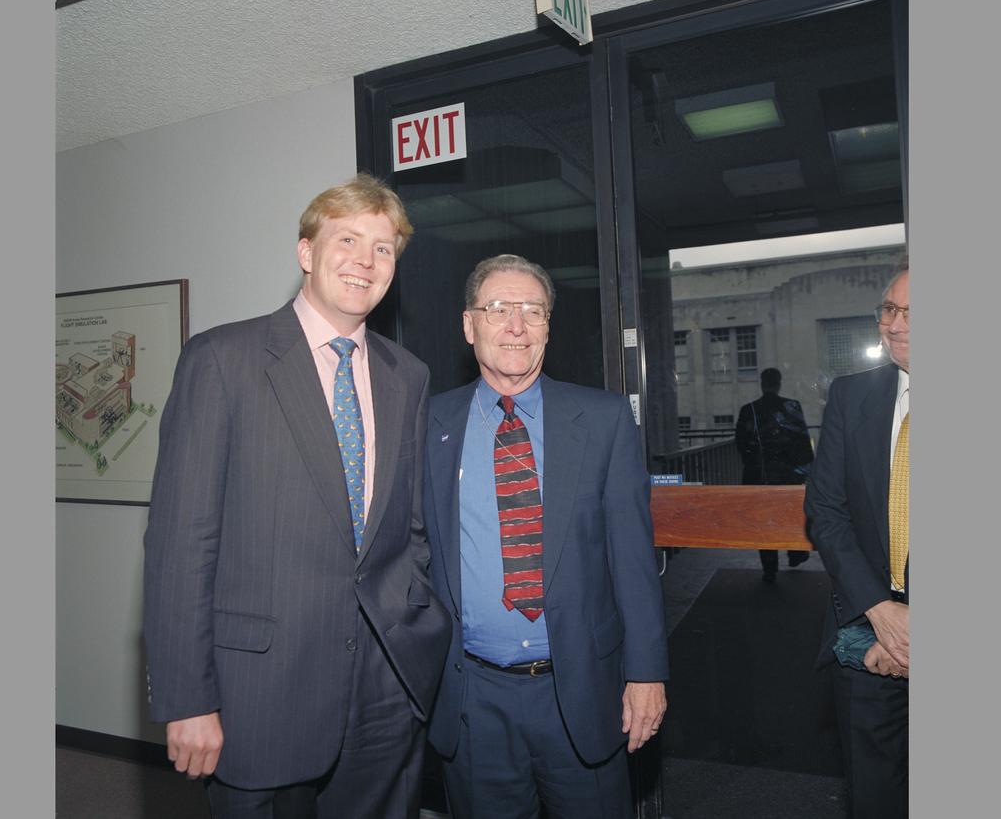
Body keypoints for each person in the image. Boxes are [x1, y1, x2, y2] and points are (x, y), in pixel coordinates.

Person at [142, 174, 452, 819]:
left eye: (384, 247)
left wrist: (415, 623)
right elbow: (181, 544)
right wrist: (187, 698)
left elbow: (409, 527)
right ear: (306, 253)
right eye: (347, 239)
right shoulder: (223, 359)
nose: (365, 260)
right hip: (258, 691)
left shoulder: (409, 375)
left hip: (385, 689)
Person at [422, 254, 669, 819]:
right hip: (472, 700)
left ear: (549, 327)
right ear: (469, 325)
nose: (516, 326)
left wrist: (647, 671)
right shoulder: (429, 424)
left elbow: (633, 560)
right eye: (498, 309)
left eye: (532, 311)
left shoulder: (602, 421)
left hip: (582, 690)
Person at [804, 264, 910, 819]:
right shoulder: (852, 396)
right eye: (888, 310)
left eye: (910, 312)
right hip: (867, 639)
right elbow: (825, 510)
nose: (894, 324)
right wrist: (883, 614)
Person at [735, 367, 815, 581]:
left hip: (760, 476)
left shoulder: (748, 410)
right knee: (790, 515)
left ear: (762, 383)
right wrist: (805, 470)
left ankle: (769, 567)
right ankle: (795, 552)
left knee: (764, 522)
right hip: (788, 474)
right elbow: (802, 442)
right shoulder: (792, 407)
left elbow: (742, 444)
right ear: (779, 383)